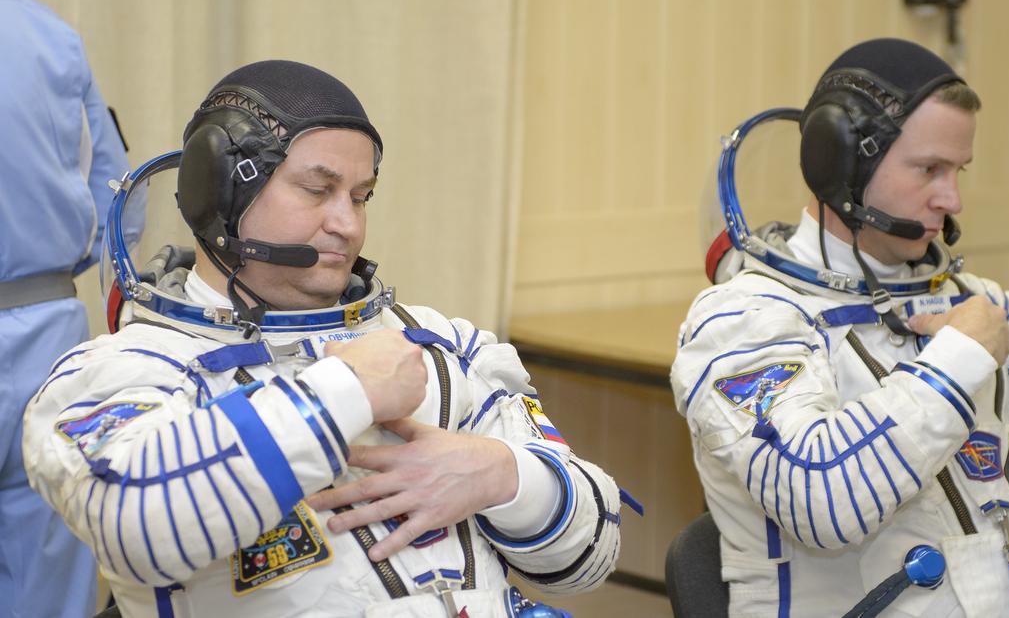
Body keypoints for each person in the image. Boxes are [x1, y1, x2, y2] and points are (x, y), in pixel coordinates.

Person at [24, 60, 625, 617]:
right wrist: (346, 392)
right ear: (218, 190)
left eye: (361, 197)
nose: (348, 224)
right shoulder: (126, 368)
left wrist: (500, 476)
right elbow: (134, 522)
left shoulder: (440, 345)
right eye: (317, 190)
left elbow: (591, 556)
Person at [672, 38, 1009, 618]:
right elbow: (821, 500)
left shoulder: (987, 310)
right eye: (929, 169)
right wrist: (959, 360)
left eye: (959, 170)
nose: (952, 199)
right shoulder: (742, 321)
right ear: (839, 163)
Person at [1, 0, 133, 615]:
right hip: (50, 342)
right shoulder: (47, 35)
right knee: (49, 585)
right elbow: (118, 199)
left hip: (49, 331)